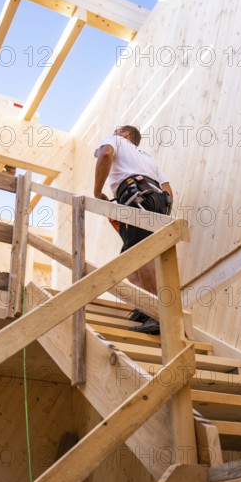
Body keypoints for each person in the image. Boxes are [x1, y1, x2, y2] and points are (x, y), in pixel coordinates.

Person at [93, 125, 173, 335]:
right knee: (130, 261)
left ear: (126, 135)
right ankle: (146, 306)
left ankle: (157, 314)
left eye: (117, 130)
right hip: (156, 200)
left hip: (136, 196)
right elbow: (167, 188)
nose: (114, 131)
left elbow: (105, 155)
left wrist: (97, 192)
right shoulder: (147, 157)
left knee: (140, 255)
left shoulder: (114, 140)